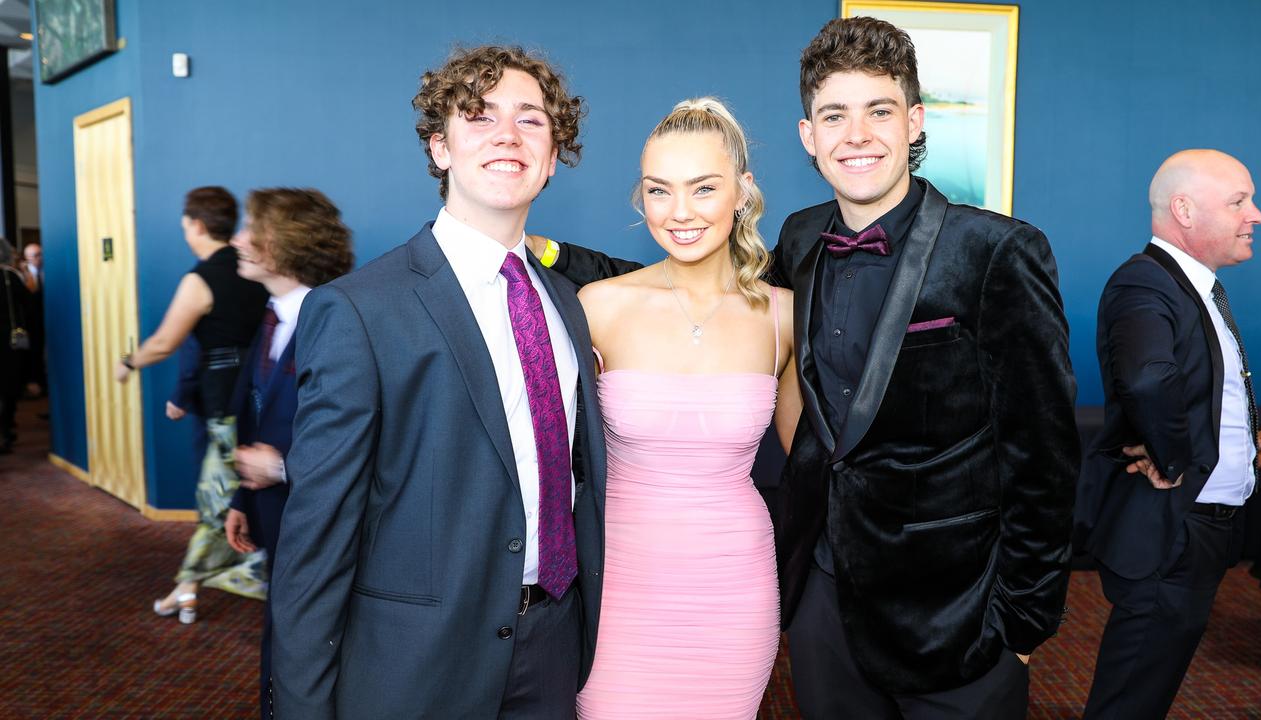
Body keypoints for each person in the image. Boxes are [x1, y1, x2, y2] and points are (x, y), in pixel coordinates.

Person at [541, 16, 1079, 718]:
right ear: (809, 136)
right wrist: (543, 250)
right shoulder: (801, 241)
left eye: (878, 111)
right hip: (821, 601)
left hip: (955, 616)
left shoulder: (996, 250)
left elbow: (1045, 454)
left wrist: (1024, 626)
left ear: (914, 123)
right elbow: (691, 272)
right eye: (834, 115)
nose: (855, 135)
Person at [269, 45, 607, 719]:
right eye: (479, 116)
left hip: (553, 642)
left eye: (531, 120)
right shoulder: (361, 309)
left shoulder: (566, 302)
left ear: (553, 152)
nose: (507, 134)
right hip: (416, 662)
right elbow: (316, 537)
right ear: (440, 148)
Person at [567, 98, 800, 718]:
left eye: (703, 188)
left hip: (734, 584)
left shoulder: (782, 316)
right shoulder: (599, 306)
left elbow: (815, 466)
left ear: (742, 193)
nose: (680, 212)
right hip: (619, 582)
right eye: (659, 191)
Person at [1075, 149, 1261, 718]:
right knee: (1130, 699)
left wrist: (1235, 443)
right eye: (1239, 201)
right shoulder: (1146, 282)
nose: (1255, 215)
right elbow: (1146, 378)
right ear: (1184, 210)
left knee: (1144, 693)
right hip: (1172, 528)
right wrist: (1175, 457)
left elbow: (1196, 387)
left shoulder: (1192, 288)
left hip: (1195, 530)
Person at [216, 188, 354, 720]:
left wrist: (278, 468)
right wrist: (239, 500)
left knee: (309, 652)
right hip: (271, 515)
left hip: (320, 523)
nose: (237, 239)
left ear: (291, 242)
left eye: (253, 228)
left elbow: (362, 437)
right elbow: (258, 417)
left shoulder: (340, 320)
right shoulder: (272, 316)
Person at [117, 186, 270, 622]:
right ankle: (191, 586)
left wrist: (128, 362)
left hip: (223, 404)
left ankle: (192, 586)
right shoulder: (252, 268)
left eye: (185, 225)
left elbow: (167, 342)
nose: (185, 232)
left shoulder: (200, 279)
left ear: (197, 225)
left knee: (217, 500)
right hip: (261, 396)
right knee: (234, 495)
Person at [0, 240, 31, 453]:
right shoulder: (11, 278)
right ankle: (6, 429)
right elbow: (28, 305)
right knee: (8, 388)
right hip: (9, 342)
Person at [20, 242, 44, 397]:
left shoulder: (48, 271)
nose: (38, 259)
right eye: (34, 256)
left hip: (49, 321)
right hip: (31, 323)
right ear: (27, 258)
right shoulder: (23, 276)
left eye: (39, 254)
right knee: (34, 355)